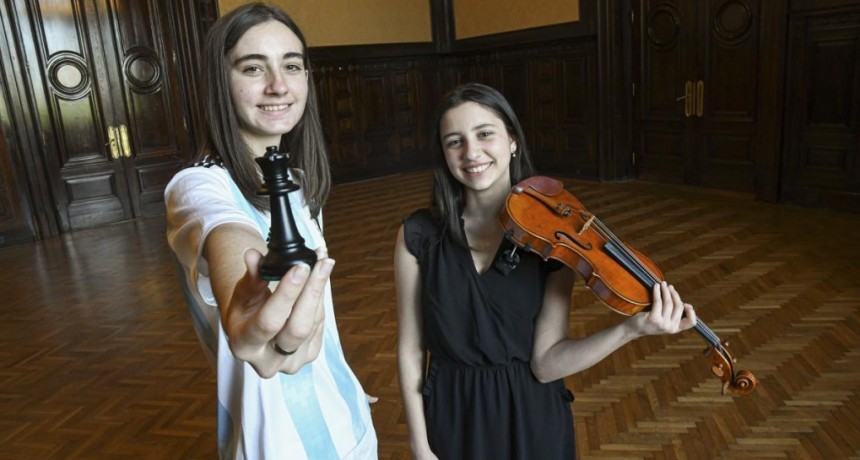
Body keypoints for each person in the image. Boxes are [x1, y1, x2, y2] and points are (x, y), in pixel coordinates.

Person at [394, 83, 697, 459]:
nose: (471, 152)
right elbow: (410, 350)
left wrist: (630, 329)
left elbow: (546, 363)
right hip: (453, 415)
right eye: (454, 141)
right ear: (443, 153)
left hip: (532, 418)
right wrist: (419, 445)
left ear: (513, 140)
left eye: (485, 134)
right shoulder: (418, 236)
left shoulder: (553, 243)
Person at [165, 4, 377, 459]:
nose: (278, 85)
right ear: (219, 83)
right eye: (253, 67)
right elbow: (228, 232)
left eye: (292, 65)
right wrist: (249, 318)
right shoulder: (197, 186)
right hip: (276, 445)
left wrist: (345, 385)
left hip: (350, 421)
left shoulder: (296, 184)